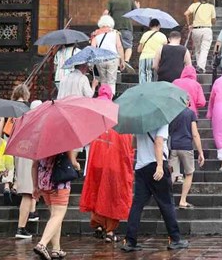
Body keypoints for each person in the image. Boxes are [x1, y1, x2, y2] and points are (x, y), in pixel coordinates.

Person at [121, 123, 189, 252]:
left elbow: (133, 144)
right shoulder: (162, 122)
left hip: (141, 167)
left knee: (137, 205)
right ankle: (175, 239)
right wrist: (159, 166)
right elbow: (158, 141)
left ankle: (130, 241)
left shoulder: (139, 124)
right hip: (156, 166)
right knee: (166, 203)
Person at [79, 86, 134, 243]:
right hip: (114, 164)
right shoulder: (120, 121)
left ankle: (98, 224)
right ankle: (109, 231)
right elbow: (128, 146)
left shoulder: (96, 117)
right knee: (112, 196)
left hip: (97, 161)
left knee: (97, 192)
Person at [4, 84, 39, 240]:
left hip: (18, 151)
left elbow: (7, 133)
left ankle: (25, 223)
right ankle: (21, 228)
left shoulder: (12, 111)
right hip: (27, 152)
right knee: (27, 193)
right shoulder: (27, 111)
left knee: (28, 192)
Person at [32, 150, 81, 259]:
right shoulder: (63, 142)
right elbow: (73, 162)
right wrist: (77, 165)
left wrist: (35, 186)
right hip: (59, 183)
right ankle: (42, 244)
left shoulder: (40, 144)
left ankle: (56, 249)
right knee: (57, 216)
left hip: (44, 183)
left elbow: (34, 165)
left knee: (54, 217)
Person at [168, 97, 206, 207]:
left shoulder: (172, 113)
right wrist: (201, 152)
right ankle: (182, 200)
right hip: (186, 146)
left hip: (173, 146)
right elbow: (195, 134)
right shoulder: (190, 113)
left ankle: (167, 200)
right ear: (187, 101)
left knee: (172, 174)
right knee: (189, 173)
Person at [103, 0, 139, 72]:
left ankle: (119, 65)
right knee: (128, 46)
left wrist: (105, 22)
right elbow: (137, 13)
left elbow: (105, 13)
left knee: (117, 46)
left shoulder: (111, 1)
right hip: (127, 27)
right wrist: (137, 7)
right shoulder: (130, 1)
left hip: (115, 28)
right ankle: (126, 61)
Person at [91, 15, 125, 95]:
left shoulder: (96, 34)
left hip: (100, 59)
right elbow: (119, 47)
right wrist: (122, 60)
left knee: (103, 80)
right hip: (112, 59)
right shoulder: (115, 33)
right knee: (111, 81)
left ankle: (103, 97)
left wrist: (91, 63)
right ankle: (110, 98)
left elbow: (92, 48)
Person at [184, 0, 216, 74]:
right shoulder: (211, 7)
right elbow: (214, 20)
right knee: (204, 49)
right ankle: (201, 67)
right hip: (207, 29)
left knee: (197, 50)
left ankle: (200, 67)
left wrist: (188, 25)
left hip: (196, 29)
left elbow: (186, 14)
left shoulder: (194, 5)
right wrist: (211, 21)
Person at [138, 19, 167, 83]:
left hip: (143, 58)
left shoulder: (145, 34)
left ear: (150, 26)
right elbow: (165, 50)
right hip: (155, 59)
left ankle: (143, 88)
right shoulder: (162, 36)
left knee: (142, 77)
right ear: (159, 26)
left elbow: (139, 49)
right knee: (153, 78)